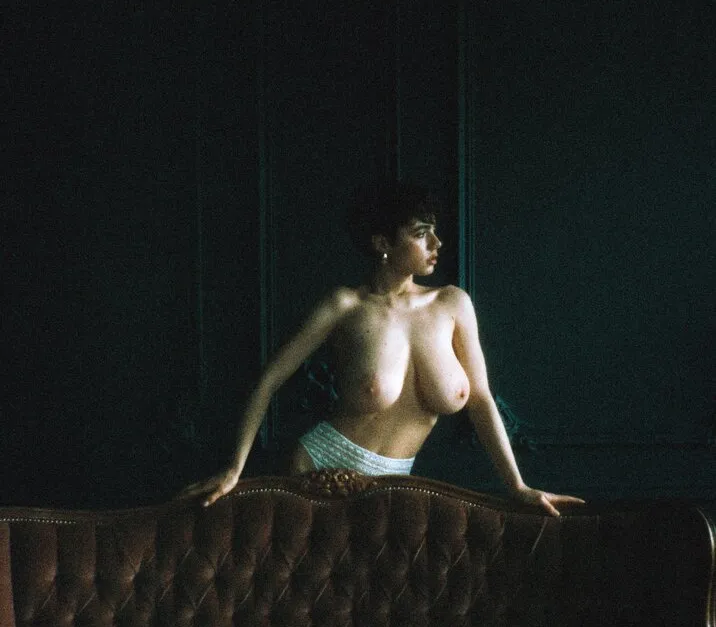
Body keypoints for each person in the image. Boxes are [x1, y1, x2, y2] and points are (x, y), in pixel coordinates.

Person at [178, 181, 585, 516]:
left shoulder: (453, 304)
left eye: (434, 231)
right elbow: (268, 380)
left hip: (394, 483)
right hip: (313, 470)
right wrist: (234, 469)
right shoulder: (344, 306)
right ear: (382, 243)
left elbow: (480, 399)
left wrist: (518, 486)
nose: (437, 243)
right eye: (420, 233)